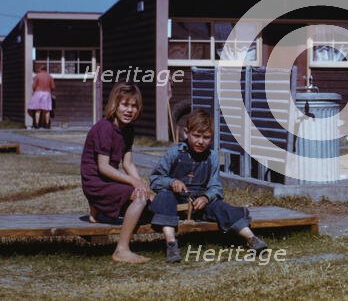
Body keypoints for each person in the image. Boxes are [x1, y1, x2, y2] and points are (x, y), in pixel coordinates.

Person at [149, 109, 268, 263]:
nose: (201, 141)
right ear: (186, 133)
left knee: (223, 207)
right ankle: (171, 244)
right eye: (196, 136)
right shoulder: (174, 152)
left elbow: (216, 187)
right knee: (164, 197)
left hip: (199, 204)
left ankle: (251, 238)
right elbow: (155, 179)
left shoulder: (212, 157)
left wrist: (206, 197)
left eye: (206, 138)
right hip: (175, 203)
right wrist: (171, 182)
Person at [80, 82, 152, 263]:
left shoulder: (128, 130)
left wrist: (141, 184)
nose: (129, 110)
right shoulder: (105, 128)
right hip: (95, 182)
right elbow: (103, 167)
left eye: (134, 106)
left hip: (106, 179)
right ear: (115, 105)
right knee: (139, 198)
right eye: (125, 105)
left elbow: (128, 163)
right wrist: (135, 186)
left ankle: (96, 211)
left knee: (146, 196)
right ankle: (122, 249)